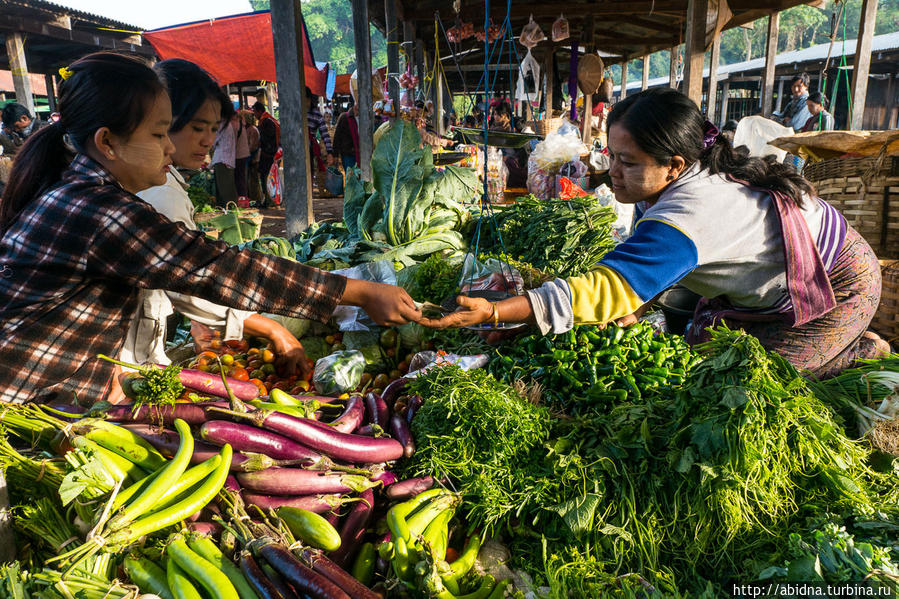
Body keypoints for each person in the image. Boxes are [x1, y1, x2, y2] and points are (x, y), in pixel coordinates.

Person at [0, 52, 421, 404]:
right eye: (160, 134)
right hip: (19, 401)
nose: (171, 147)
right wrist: (358, 292)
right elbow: (215, 267)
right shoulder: (98, 212)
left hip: (41, 395)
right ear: (107, 142)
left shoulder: (82, 193)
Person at [423, 88, 888, 378]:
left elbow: (608, 287)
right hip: (777, 275)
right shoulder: (684, 182)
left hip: (838, 281)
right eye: (612, 156)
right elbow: (638, 269)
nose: (612, 172)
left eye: (628, 162)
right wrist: (630, 300)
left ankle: (858, 353)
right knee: (702, 355)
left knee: (748, 381)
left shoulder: (693, 210)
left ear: (675, 165)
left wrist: (499, 311)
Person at [118, 58, 310, 384]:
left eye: (213, 129)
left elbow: (175, 274)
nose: (208, 140)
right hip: (112, 365)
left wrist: (197, 317)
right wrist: (272, 328)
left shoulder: (157, 185)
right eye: (196, 128)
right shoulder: (159, 193)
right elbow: (195, 278)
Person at [210, 107, 239, 206]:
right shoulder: (227, 124)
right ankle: (230, 208)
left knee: (223, 189)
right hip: (227, 159)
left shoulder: (222, 124)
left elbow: (213, 141)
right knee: (228, 187)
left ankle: (228, 210)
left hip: (222, 159)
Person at [252, 101, 279, 206]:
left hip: (268, 155)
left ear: (259, 111)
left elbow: (268, 138)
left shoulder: (267, 121)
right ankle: (268, 200)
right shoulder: (266, 120)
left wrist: (260, 142)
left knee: (267, 178)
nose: (254, 115)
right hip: (268, 154)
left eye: (254, 112)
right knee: (265, 177)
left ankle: (269, 201)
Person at [241, 109, 262, 205]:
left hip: (253, 159)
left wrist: (245, 153)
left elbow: (253, 146)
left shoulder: (253, 129)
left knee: (254, 181)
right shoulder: (247, 129)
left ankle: (256, 200)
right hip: (248, 158)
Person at [332, 101, 359, 172]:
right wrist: (335, 155)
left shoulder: (365, 119)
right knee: (350, 178)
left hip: (362, 154)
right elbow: (337, 136)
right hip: (348, 155)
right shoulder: (344, 117)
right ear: (355, 104)